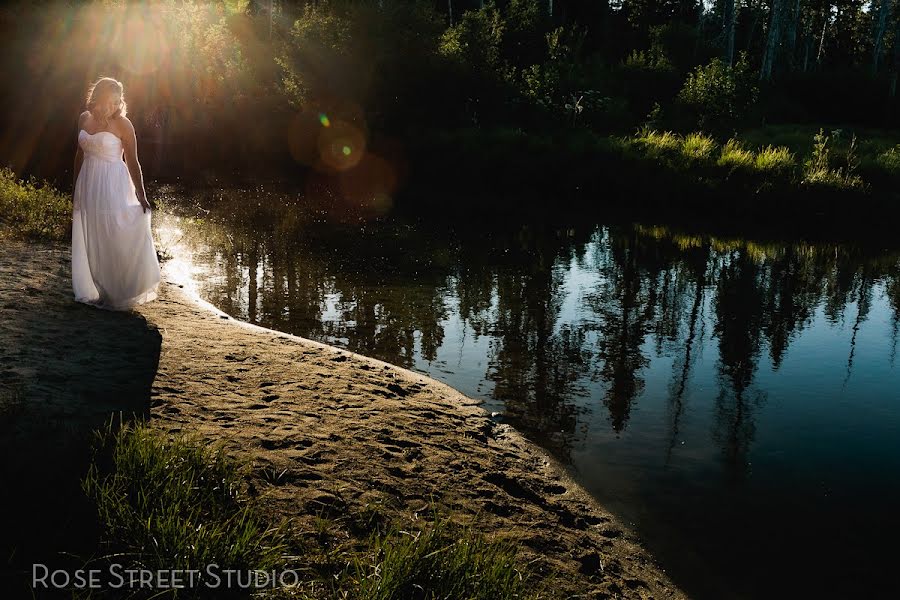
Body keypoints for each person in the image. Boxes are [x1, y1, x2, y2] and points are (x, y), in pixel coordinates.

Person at [71, 76, 161, 310]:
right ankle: (99, 288)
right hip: (88, 183)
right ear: (98, 98)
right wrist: (75, 187)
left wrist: (141, 195)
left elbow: (133, 161)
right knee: (93, 234)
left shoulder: (123, 125)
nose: (113, 106)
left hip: (113, 183)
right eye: (109, 101)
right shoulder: (84, 118)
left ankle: (118, 290)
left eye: (117, 101)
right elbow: (79, 155)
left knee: (113, 233)